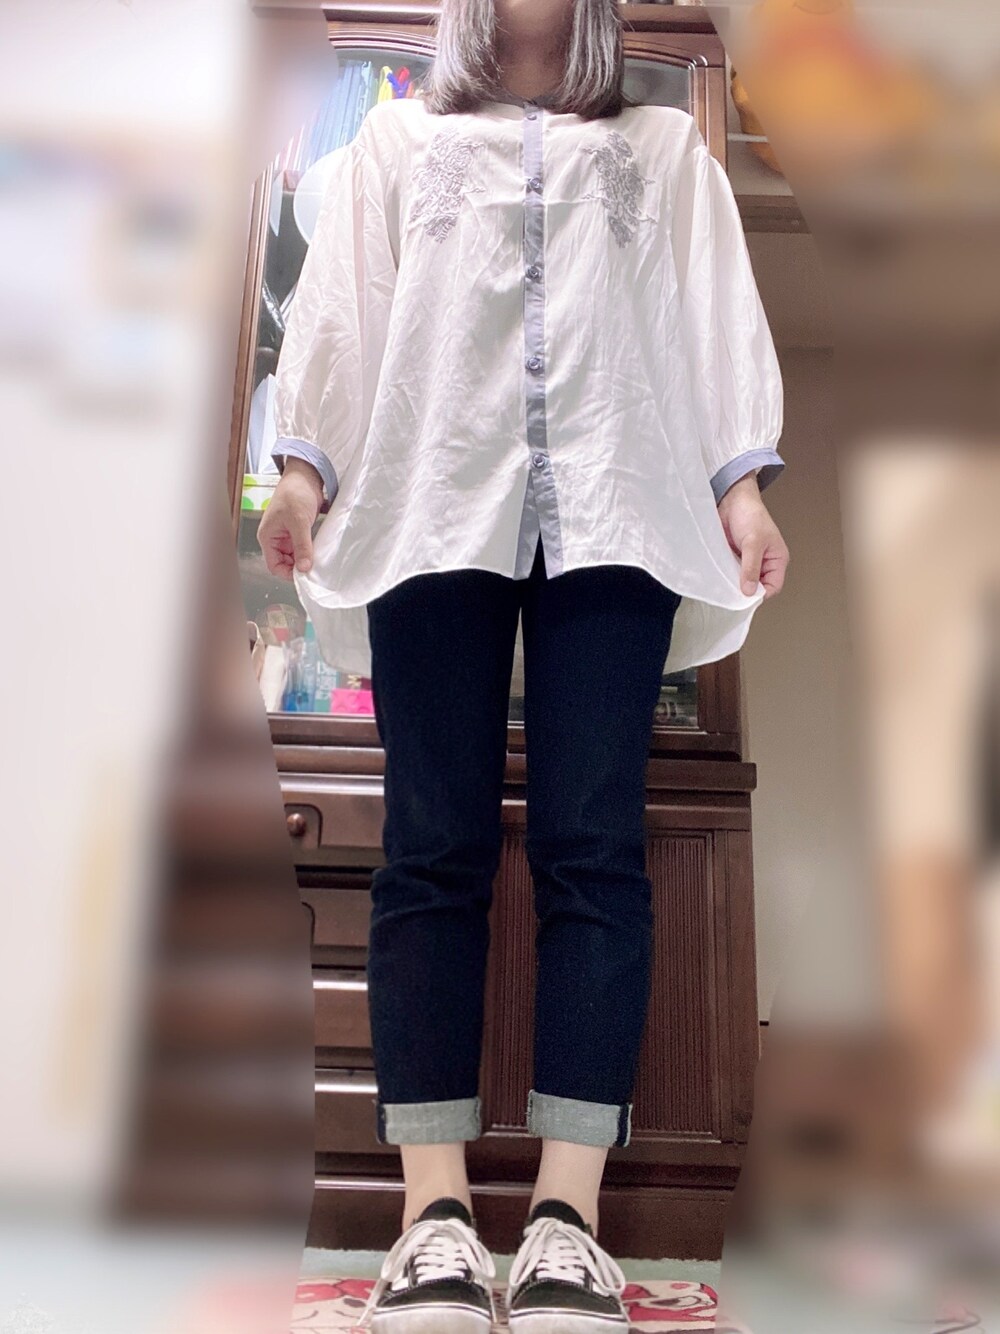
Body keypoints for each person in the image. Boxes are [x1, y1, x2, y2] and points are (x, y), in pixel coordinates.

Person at [258, 0, 790, 1328]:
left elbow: (708, 325)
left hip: (620, 512)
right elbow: (343, 315)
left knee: (593, 851)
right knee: (430, 847)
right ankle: (430, 1216)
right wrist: (304, 473)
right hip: (430, 506)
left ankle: (569, 1218)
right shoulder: (395, 150)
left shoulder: (663, 151)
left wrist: (740, 490)